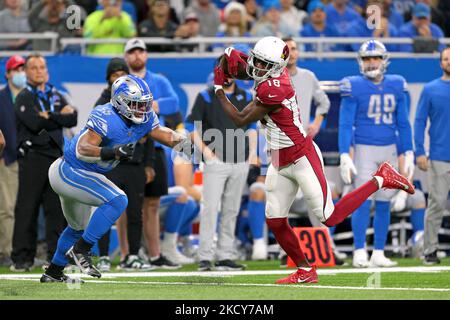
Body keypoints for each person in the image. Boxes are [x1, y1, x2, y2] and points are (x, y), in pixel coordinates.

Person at [213, 36, 415, 284]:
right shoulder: (267, 73)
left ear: (277, 67)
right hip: (278, 159)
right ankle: (305, 270)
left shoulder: (275, 88)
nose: (258, 67)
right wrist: (229, 61)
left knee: (329, 216)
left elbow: (240, 119)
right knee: (275, 219)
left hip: (300, 156)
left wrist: (219, 90)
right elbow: (246, 65)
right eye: (258, 61)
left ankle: (381, 178)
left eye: (265, 64)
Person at [40, 74, 193, 282]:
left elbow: (162, 133)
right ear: (121, 102)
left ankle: (54, 272)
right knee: (118, 199)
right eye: (135, 104)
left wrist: (190, 146)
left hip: (81, 175)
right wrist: (112, 152)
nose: (142, 110)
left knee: (77, 228)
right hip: (69, 171)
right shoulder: (105, 115)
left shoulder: (144, 118)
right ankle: (82, 250)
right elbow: (81, 149)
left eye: (144, 104)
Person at [339, 40, 415, 268]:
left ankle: (379, 252)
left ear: (384, 60)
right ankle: (359, 250)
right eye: (367, 59)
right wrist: (344, 154)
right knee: (363, 199)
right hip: (364, 148)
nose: (372, 63)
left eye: (375, 58)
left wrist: (408, 150)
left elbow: (403, 123)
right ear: (360, 62)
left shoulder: (397, 84)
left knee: (384, 201)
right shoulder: (353, 85)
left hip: (389, 149)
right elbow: (345, 124)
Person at [11, 53, 78, 272]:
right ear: (26, 72)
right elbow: (32, 122)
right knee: (27, 208)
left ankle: (55, 257)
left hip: (55, 158)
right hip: (32, 157)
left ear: (47, 71)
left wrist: (49, 114)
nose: (39, 71)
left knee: (56, 210)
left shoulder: (55, 94)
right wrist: (58, 116)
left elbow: (73, 118)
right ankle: (22, 258)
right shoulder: (24, 97)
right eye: (34, 67)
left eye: (42, 67)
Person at [186, 67, 256, 271]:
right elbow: (191, 126)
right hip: (216, 160)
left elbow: (251, 126)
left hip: (240, 159)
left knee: (231, 209)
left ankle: (225, 255)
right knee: (210, 208)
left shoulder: (245, 95)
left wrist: (252, 153)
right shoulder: (206, 96)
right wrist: (206, 152)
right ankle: (205, 256)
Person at [124, 38, 182, 269]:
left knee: (153, 204)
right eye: (133, 52)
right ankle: (130, 254)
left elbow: (174, 103)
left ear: (146, 55)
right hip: (130, 149)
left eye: (141, 52)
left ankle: (155, 255)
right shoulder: (123, 81)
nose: (137, 56)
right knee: (126, 204)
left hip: (156, 148)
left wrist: (152, 104)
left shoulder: (158, 80)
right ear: (127, 56)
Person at [93, 58, 153, 272]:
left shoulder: (138, 100)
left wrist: (148, 164)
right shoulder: (103, 104)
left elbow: (150, 131)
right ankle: (102, 257)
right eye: (114, 75)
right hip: (111, 164)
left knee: (136, 212)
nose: (118, 78)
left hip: (135, 164)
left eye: (122, 74)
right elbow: (95, 138)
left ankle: (133, 255)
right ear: (108, 79)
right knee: (107, 210)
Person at [414, 47, 450, 265]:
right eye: (446, 59)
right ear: (440, 63)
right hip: (439, 156)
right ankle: (430, 250)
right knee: (436, 204)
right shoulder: (430, 89)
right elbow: (419, 122)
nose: (449, 62)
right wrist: (420, 151)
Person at [0, 56, 26, 267]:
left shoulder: (29, 96)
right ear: (7, 73)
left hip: (30, 159)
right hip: (7, 158)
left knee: (27, 208)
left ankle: (24, 251)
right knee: (7, 208)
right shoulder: (1, 97)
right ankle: (5, 251)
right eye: (16, 69)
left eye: (22, 68)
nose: (21, 72)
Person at [283, 38, 330, 139]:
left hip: (302, 140)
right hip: (277, 141)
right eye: (286, 50)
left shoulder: (308, 76)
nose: (291, 53)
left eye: (293, 49)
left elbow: (324, 103)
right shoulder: (271, 78)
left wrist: (316, 125)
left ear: (298, 52)